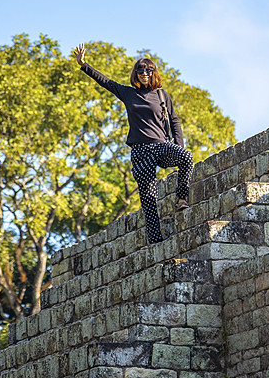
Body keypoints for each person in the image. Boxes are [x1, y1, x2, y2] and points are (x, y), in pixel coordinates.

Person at [73, 43, 193, 245]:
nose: (144, 74)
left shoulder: (162, 95)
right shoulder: (128, 93)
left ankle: (181, 198)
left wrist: (178, 145)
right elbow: (106, 82)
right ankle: (155, 242)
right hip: (140, 151)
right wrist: (84, 65)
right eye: (140, 71)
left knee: (186, 157)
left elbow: (174, 121)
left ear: (153, 73)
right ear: (135, 74)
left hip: (161, 146)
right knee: (148, 198)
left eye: (148, 70)